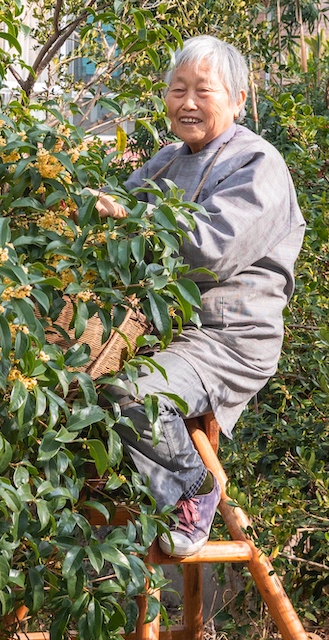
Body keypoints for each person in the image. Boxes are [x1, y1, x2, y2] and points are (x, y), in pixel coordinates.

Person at [88, 35, 305, 557]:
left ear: (238, 100)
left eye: (202, 91)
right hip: (160, 327)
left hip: (227, 338)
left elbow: (209, 253)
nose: (187, 103)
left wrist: (129, 219)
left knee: (131, 392)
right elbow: (111, 214)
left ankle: (193, 486)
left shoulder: (259, 165)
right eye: (177, 89)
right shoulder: (165, 161)